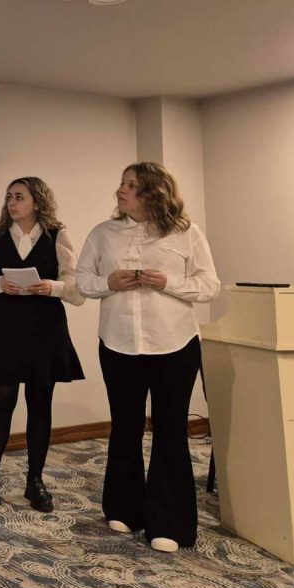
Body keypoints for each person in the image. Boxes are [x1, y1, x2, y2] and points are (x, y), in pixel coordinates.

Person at [76, 162, 220, 552]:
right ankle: (123, 508)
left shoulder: (186, 233)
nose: (121, 190)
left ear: (154, 193)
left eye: (131, 185)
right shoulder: (102, 233)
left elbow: (209, 285)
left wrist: (168, 282)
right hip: (118, 343)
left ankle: (169, 523)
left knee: (170, 429)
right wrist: (108, 282)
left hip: (175, 344)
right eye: (122, 183)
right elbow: (82, 280)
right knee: (125, 425)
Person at [0, 177, 85, 516]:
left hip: (45, 329)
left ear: (37, 201)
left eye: (19, 196)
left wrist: (53, 287)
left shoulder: (58, 235)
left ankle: (35, 481)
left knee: (40, 405)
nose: (12, 202)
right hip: (6, 328)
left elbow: (77, 288)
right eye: (9, 196)